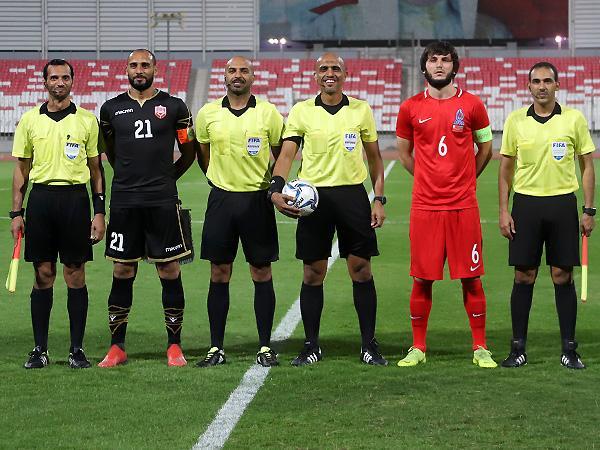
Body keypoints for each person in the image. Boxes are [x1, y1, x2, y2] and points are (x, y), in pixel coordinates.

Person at [270, 52, 387, 366]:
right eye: (324, 68)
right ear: (315, 75)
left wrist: (378, 198)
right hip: (314, 199)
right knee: (313, 273)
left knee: (361, 270)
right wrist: (275, 188)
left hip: (352, 196)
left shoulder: (361, 109)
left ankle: (369, 345)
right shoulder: (301, 111)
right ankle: (311, 345)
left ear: (345, 75)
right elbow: (287, 155)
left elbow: (375, 159)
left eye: (336, 68)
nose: (330, 73)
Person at [396, 40, 497, 368]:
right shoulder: (410, 107)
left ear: (454, 66)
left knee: (472, 277)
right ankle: (418, 347)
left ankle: (480, 347)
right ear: (424, 66)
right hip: (425, 207)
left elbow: (486, 148)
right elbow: (403, 153)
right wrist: (426, 179)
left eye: (445, 60)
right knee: (422, 278)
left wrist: (467, 178)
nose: (438, 65)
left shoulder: (473, 105)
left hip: (463, 206)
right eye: (432, 60)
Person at [97, 49, 196, 367]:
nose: (139, 70)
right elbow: (111, 153)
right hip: (125, 202)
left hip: (162, 202)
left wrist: (166, 178)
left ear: (155, 68)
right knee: (122, 270)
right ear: (126, 69)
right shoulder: (110, 109)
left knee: (169, 269)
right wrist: (129, 178)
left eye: (145, 65)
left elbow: (189, 151)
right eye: (134, 65)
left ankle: (174, 346)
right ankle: (117, 346)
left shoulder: (175, 107)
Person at [498, 61, 596, 369]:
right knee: (523, 275)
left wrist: (589, 209)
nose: (542, 86)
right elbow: (505, 169)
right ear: (528, 86)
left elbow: (587, 165)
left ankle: (569, 349)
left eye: (547, 81)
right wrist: (504, 210)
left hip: (562, 204)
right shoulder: (516, 120)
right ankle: (517, 349)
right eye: (537, 81)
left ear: (557, 85)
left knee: (562, 276)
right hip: (526, 206)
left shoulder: (574, 119)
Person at [10, 58, 106, 369]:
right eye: (54, 77)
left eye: (65, 77)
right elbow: (21, 170)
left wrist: (99, 211)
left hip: (75, 200)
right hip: (41, 200)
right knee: (43, 274)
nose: (59, 82)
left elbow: (96, 170)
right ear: (45, 82)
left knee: (75, 273)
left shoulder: (87, 120)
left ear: (72, 81)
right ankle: (40, 349)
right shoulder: (29, 120)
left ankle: (76, 349)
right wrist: (16, 212)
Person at [194, 56, 284, 368]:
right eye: (232, 70)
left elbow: (281, 154)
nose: (238, 75)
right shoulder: (207, 113)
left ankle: (265, 346)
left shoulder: (268, 113)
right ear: (224, 76)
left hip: (257, 200)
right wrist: (217, 179)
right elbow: (202, 152)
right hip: (221, 200)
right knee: (219, 272)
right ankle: (215, 347)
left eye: (244, 71)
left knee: (261, 271)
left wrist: (274, 184)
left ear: (252, 77)